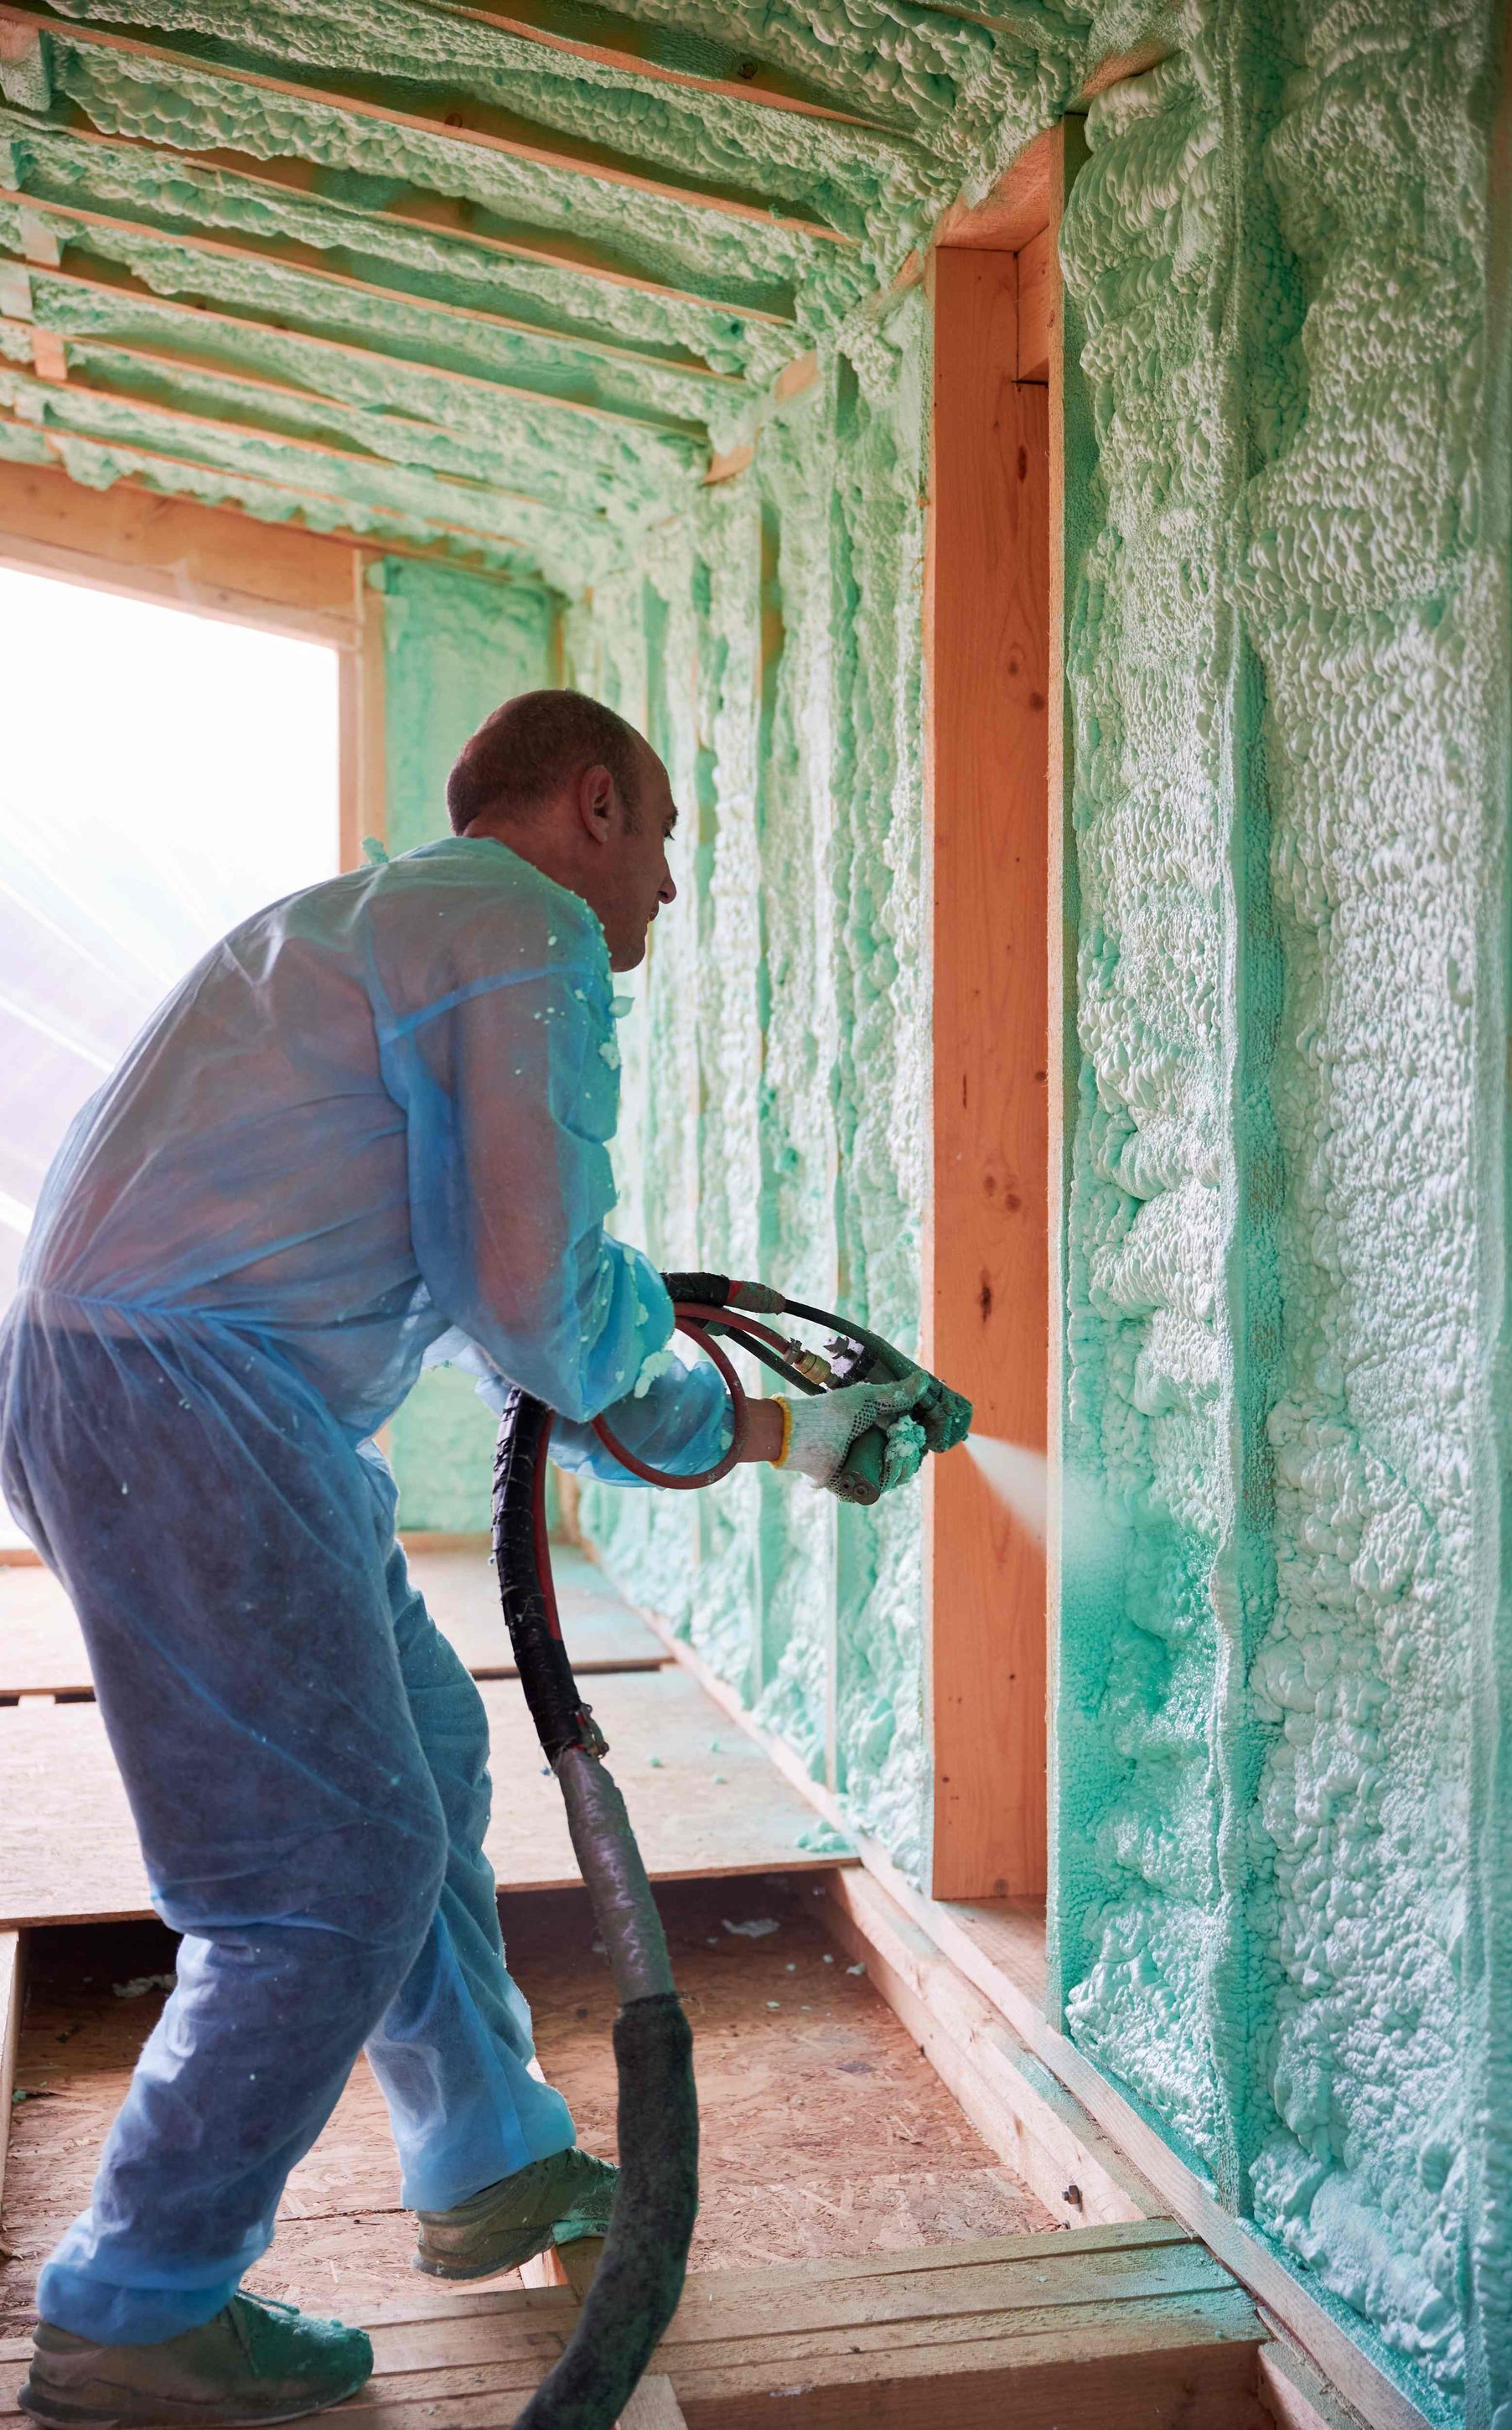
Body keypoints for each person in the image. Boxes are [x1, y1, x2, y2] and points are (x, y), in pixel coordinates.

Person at [0, 691, 940, 2428]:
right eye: (661, 838)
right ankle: (138, 2299)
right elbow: (537, 1301)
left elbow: (491, 1306)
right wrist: (718, 1405)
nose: (666, 887)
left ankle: (486, 2155)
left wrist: (769, 1432)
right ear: (594, 804)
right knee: (327, 1871)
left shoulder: (372, 924)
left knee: (419, 1757)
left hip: (190, 1395)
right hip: (188, 1407)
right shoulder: (524, 931)